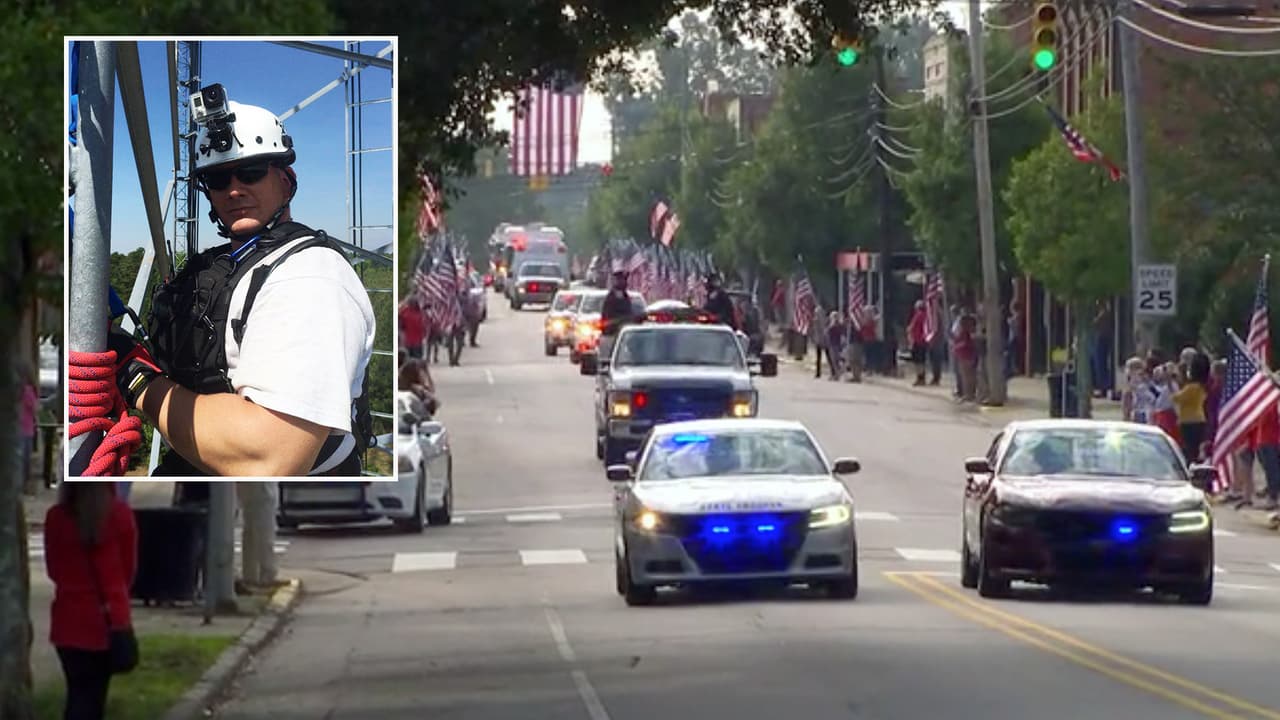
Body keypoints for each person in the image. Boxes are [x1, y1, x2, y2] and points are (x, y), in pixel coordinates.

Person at [100, 95, 377, 477]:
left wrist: (136, 376)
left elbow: (271, 456)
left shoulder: (309, 277)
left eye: (251, 172)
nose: (233, 190)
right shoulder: (223, 266)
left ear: (286, 181)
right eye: (218, 179)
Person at [45, 482, 137, 720]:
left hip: (67, 619)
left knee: (77, 692)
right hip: (106, 621)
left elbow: (53, 569)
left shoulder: (57, 517)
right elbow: (128, 570)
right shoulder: (119, 515)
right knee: (94, 697)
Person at [599, 270, 640, 359]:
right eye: (621, 280)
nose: (624, 282)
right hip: (612, 334)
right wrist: (622, 320)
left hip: (625, 334)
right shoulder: (611, 298)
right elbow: (607, 319)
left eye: (625, 280)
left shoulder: (625, 296)